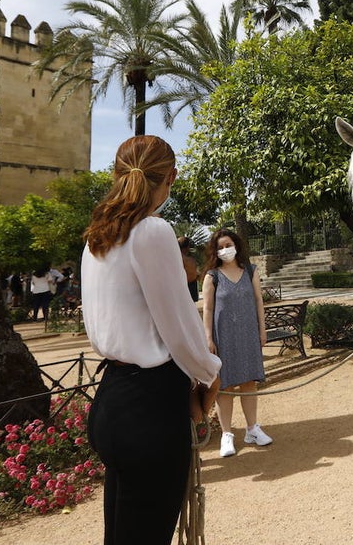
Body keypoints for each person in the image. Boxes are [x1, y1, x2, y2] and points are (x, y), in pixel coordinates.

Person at [81, 135, 221, 545]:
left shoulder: (96, 239)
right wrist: (209, 371)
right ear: (171, 178)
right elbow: (177, 321)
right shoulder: (153, 231)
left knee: (124, 532)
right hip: (151, 406)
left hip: (112, 399)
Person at [202, 228, 271, 458]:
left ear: (237, 245)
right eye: (220, 247)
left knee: (250, 382)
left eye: (228, 245)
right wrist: (208, 338)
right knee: (226, 386)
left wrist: (262, 330)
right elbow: (208, 309)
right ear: (215, 251)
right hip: (224, 336)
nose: (225, 250)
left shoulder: (251, 271)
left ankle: (252, 429)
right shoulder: (212, 276)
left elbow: (259, 301)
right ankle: (227, 434)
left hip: (248, 334)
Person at [177, 236, 200, 302]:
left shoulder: (178, 259)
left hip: (183, 288)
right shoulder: (192, 260)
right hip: (191, 287)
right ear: (188, 247)